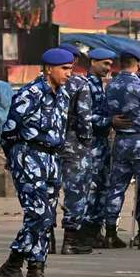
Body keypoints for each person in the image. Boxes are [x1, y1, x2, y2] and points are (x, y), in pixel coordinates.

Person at [0, 46, 76, 277]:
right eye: (64, 69)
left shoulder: (62, 95)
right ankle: (12, 264)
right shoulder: (30, 94)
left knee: (48, 217)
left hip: (52, 160)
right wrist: (14, 157)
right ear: (49, 69)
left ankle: (36, 270)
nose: (69, 73)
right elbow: (9, 130)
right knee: (37, 214)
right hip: (29, 156)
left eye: (70, 69)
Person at [98, 49, 140, 250]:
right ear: (137, 64)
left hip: (120, 141)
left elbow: (106, 111)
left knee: (116, 187)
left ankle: (110, 232)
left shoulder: (111, 86)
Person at [57, 46, 103, 255]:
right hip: (74, 144)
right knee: (76, 191)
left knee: (49, 191)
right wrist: (86, 141)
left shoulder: (40, 83)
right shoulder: (79, 83)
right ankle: (70, 240)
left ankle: (47, 238)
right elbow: (84, 118)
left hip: (50, 143)